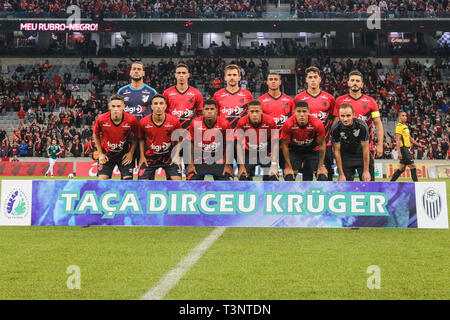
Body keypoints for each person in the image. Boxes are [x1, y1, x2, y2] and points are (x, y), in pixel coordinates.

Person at [335, 70, 384, 181]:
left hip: (365, 149)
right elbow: (335, 125)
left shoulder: (371, 102)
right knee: (345, 186)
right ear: (348, 83)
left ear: (362, 84)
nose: (355, 83)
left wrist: (380, 144)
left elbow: (378, 124)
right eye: (352, 80)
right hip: (345, 150)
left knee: (368, 185)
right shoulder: (339, 101)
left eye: (357, 81)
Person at [294, 66, 336, 180]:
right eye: (310, 77)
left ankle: (327, 197)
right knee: (307, 175)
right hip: (306, 145)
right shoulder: (299, 98)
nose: (313, 80)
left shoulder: (329, 98)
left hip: (326, 144)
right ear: (306, 80)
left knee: (328, 175)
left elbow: (334, 119)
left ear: (320, 79)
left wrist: (329, 135)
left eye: (315, 77)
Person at [117, 61, 157, 168]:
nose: (136, 71)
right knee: (126, 176)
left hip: (145, 139)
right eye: (134, 69)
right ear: (130, 72)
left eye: (139, 69)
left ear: (143, 73)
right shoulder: (122, 91)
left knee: (145, 175)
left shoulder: (152, 92)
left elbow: (158, 114)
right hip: (127, 139)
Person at [186, 99, 234, 181]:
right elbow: (190, 143)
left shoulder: (224, 123)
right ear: (203, 111)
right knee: (192, 184)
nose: (209, 112)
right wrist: (190, 164)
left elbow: (229, 145)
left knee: (226, 185)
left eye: (212, 109)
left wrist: (227, 165)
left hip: (219, 161)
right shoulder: (195, 123)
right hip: (199, 161)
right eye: (207, 109)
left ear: (216, 111)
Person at [93, 94, 138, 180]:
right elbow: (96, 135)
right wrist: (100, 154)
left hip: (124, 155)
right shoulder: (101, 119)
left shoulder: (131, 120)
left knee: (127, 181)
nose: (116, 109)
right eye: (113, 106)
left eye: (118, 106)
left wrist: (131, 153)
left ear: (123, 107)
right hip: (107, 154)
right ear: (109, 106)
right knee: (102, 179)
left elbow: (136, 137)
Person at [137, 95, 183, 180]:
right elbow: (141, 140)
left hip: (169, 158)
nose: (158, 106)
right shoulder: (143, 122)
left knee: (177, 181)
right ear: (151, 106)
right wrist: (142, 157)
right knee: (142, 183)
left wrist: (176, 155)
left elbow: (180, 139)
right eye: (155, 103)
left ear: (165, 106)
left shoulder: (174, 121)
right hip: (149, 159)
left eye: (161, 103)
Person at [280, 101, 328, 181]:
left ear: (308, 112)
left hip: (312, 150)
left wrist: (321, 166)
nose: (302, 114)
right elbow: (285, 145)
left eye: (304, 111)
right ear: (294, 112)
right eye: (299, 111)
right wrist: (288, 166)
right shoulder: (288, 124)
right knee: (289, 176)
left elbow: (322, 144)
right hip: (295, 151)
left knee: (322, 176)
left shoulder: (317, 123)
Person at [235, 100, 279, 181]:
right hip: (249, 153)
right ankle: (249, 193)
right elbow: (239, 144)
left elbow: (275, 143)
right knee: (243, 176)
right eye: (252, 111)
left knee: (273, 177)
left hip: (266, 153)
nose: (254, 114)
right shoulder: (241, 122)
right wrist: (241, 166)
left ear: (261, 111)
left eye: (257, 111)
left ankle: (267, 192)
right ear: (248, 111)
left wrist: (274, 164)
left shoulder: (270, 121)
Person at [330, 103, 371, 182]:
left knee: (368, 186)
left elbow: (366, 148)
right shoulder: (335, 128)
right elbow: (336, 151)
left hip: (361, 156)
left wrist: (366, 171)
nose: (345, 119)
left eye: (348, 116)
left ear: (353, 115)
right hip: (345, 157)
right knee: (344, 187)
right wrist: (341, 174)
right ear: (339, 116)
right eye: (342, 116)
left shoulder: (362, 125)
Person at [163, 63, 203, 129]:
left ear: (188, 75)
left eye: (184, 73)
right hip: (172, 129)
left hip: (190, 130)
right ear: (175, 75)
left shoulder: (196, 93)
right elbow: (164, 113)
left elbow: (200, 114)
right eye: (179, 73)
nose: (181, 75)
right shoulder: (167, 93)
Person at [213, 64, 253, 128]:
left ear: (239, 77)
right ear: (225, 78)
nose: (232, 77)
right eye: (229, 75)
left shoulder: (247, 95)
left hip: (242, 134)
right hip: (223, 133)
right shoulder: (217, 95)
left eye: (234, 75)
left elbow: (251, 116)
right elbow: (215, 116)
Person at [390, 111, 426, 182]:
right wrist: (399, 152)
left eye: (405, 115)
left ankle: (390, 183)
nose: (405, 117)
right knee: (413, 166)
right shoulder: (399, 126)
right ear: (399, 117)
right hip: (403, 149)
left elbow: (410, 139)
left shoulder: (405, 126)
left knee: (401, 168)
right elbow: (397, 140)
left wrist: (420, 145)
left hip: (406, 149)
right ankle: (416, 184)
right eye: (403, 115)